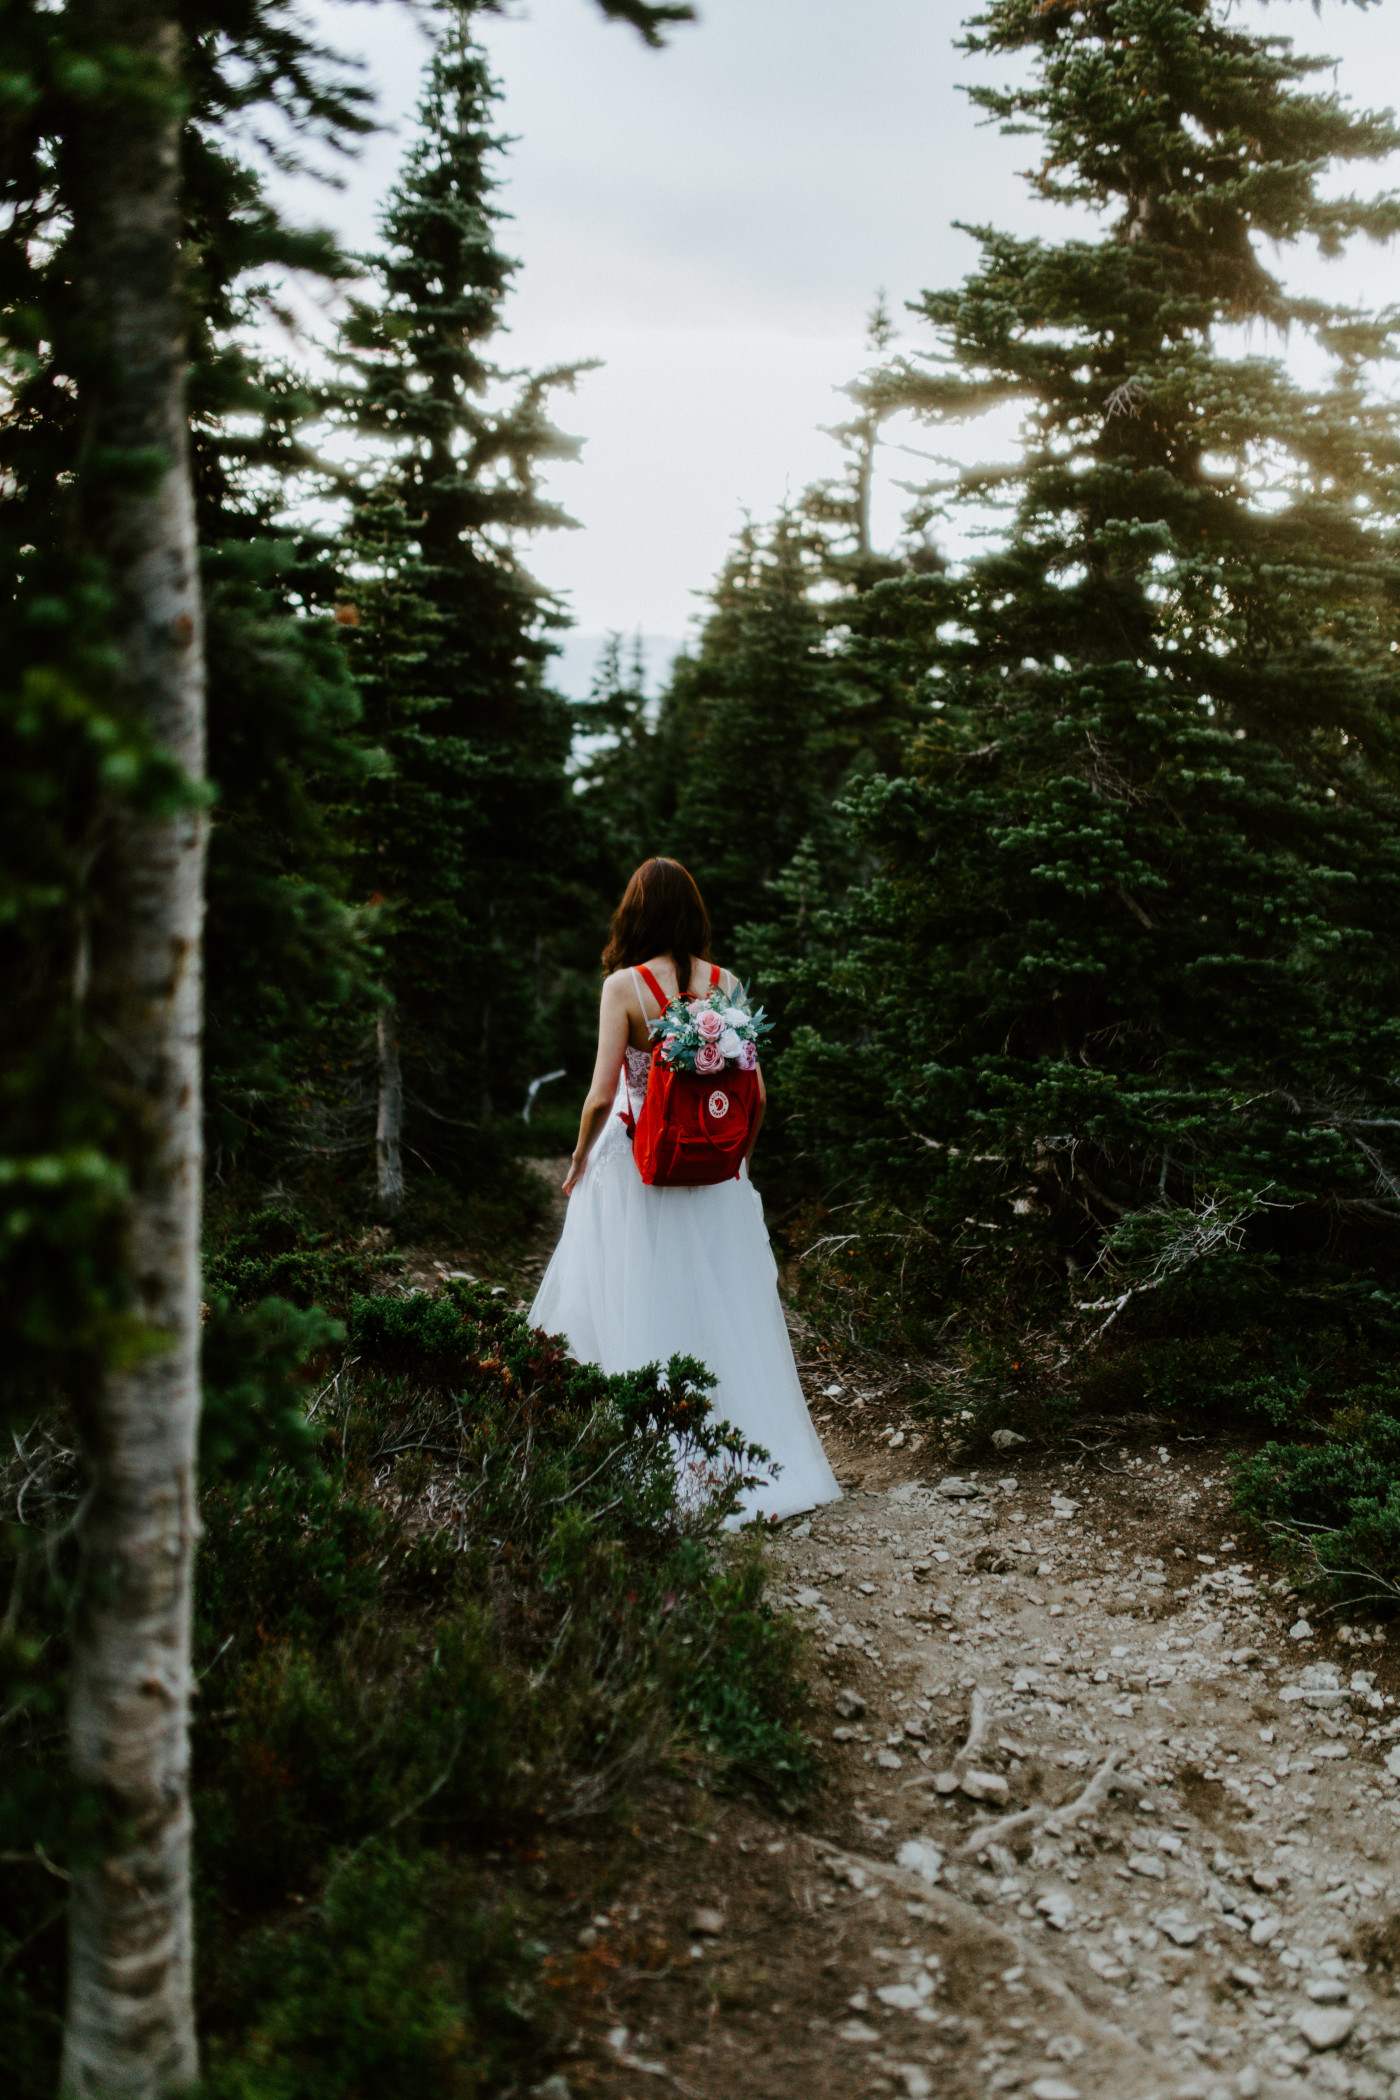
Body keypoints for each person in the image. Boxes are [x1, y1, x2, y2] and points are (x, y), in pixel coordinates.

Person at [529, 857, 840, 1525]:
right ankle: (747, 1458)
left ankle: (639, 1455)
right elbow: (755, 1093)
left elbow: (600, 1096)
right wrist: (736, 1161)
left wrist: (579, 1160)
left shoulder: (622, 987)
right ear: (693, 913)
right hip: (713, 1167)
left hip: (640, 1165)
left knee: (631, 1295)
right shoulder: (725, 983)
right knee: (719, 1302)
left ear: (632, 914)